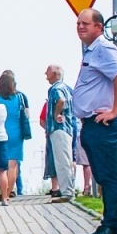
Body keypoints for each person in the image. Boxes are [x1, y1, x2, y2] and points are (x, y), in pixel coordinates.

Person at [72, 8, 117, 234]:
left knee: (108, 177)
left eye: (85, 23)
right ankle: (106, 224)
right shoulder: (91, 51)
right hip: (91, 125)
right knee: (103, 177)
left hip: (102, 125)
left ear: (98, 26)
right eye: (78, 23)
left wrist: (114, 111)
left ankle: (112, 228)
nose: (80, 27)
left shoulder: (103, 48)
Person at [43, 64, 76, 202]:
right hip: (67, 128)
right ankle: (68, 190)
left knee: (62, 161)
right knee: (66, 160)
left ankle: (67, 193)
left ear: (56, 74)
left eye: (48, 72)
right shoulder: (67, 88)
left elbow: (61, 100)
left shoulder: (56, 88)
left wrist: (56, 113)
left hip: (58, 128)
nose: (45, 74)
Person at [0, 70, 30, 199]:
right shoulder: (20, 97)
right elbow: (27, 116)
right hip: (16, 133)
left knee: (1, 165)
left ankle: (3, 191)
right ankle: (8, 192)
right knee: (13, 165)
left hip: (0, 132)